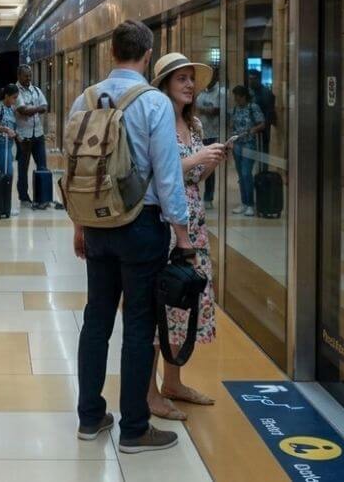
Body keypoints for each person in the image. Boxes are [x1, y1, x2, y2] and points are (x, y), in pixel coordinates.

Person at [71, 20, 192, 455]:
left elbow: (76, 171)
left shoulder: (82, 100)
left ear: (111, 53)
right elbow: (167, 174)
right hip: (142, 225)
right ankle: (135, 428)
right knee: (139, 324)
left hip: (97, 227)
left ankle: (90, 417)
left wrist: (79, 224)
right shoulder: (153, 102)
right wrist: (183, 234)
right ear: (146, 55)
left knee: (97, 319)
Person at [146, 53, 226, 421]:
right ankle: (149, 391)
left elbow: (193, 180)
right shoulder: (158, 121)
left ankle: (173, 381)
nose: (190, 85)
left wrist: (206, 164)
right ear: (165, 85)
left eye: (192, 79)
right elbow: (159, 171)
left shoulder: (193, 126)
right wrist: (197, 160)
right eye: (182, 79)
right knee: (157, 305)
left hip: (194, 222)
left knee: (183, 302)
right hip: (166, 224)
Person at [14, 65, 50, 208]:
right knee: (23, 167)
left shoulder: (36, 90)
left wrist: (31, 110)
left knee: (42, 165)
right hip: (24, 137)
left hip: (38, 134)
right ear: (19, 76)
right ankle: (24, 196)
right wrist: (36, 109)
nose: (28, 78)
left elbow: (45, 106)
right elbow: (23, 110)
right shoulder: (15, 92)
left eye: (30, 75)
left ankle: (42, 197)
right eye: (25, 76)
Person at [230, 85, 265, 216]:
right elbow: (232, 123)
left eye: (238, 97)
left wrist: (251, 131)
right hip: (237, 145)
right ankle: (244, 203)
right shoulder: (235, 109)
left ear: (244, 96)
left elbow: (262, 123)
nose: (236, 100)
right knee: (241, 176)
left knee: (246, 174)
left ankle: (250, 204)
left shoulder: (253, 107)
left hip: (249, 144)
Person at [194, 72, 221, 210]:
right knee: (197, 165)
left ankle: (208, 197)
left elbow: (217, 110)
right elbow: (195, 108)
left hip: (213, 134)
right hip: (200, 133)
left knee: (210, 166)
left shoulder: (220, 92)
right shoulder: (201, 92)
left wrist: (203, 110)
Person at [247, 69, 276, 154]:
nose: (251, 81)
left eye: (253, 78)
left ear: (258, 79)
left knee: (262, 153)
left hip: (262, 129)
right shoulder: (249, 92)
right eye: (250, 79)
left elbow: (269, 113)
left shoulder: (266, 93)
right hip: (251, 128)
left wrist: (262, 126)